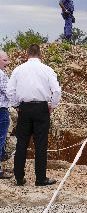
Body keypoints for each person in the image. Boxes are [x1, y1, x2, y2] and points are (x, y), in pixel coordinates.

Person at [7, 44, 61, 186]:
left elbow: (10, 91)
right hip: (41, 109)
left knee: (21, 144)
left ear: (27, 54)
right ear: (40, 54)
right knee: (41, 144)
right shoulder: (47, 70)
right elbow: (56, 91)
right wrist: (52, 106)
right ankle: (40, 178)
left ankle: (19, 177)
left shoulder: (18, 70)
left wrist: (17, 105)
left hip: (24, 109)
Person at [0, 51, 12, 179]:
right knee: (0, 139)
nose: (7, 63)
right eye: (4, 60)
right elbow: (9, 92)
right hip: (1, 110)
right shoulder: (1, 75)